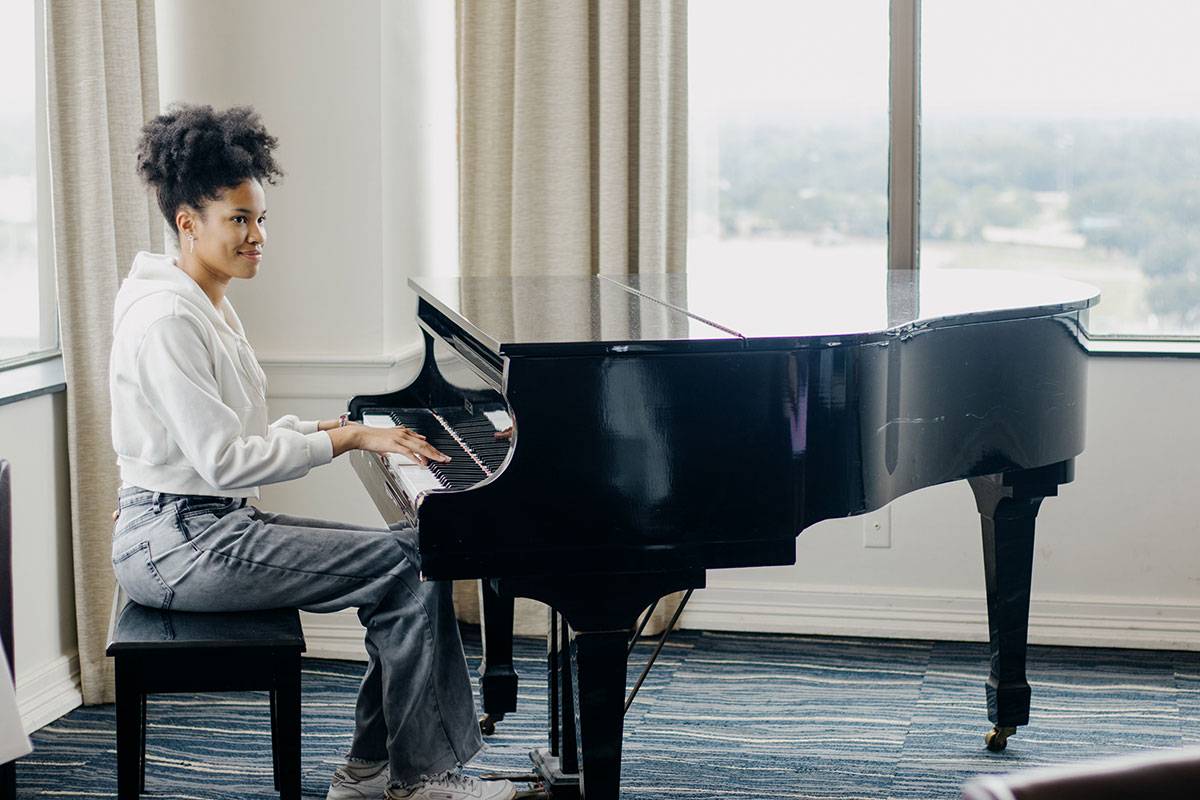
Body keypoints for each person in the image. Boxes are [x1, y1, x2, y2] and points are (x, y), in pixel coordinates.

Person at [109, 103, 515, 800]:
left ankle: (373, 771)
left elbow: (233, 437)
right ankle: (415, 778)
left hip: (205, 525)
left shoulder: (204, 303)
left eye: (261, 218)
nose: (258, 235)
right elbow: (225, 462)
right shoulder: (167, 319)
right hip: (174, 541)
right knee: (410, 564)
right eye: (239, 219)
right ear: (188, 223)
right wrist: (348, 436)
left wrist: (328, 425)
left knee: (417, 553)